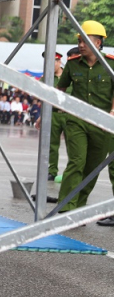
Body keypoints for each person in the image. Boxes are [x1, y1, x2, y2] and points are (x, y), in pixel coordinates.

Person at [54, 21, 114, 215]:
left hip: (102, 123)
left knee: (93, 167)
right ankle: (65, 206)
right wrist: (60, 104)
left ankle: (78, 206)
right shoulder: (72, 64)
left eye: (85, 41)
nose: (81, 45)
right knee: (77, 161)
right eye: (80, 40)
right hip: (77, 120)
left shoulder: (111, 64)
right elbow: (61, 89)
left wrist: (112, 113)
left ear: (98, 43)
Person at [35, 52, 67, 180]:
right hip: (52, 114)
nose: (49, 64)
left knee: (74, 145)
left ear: (59, 62)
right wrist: (42, 117)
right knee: (52, 144)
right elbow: (43, 99)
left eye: (53, 61)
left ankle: (75, 172)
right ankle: (52, 170)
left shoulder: (68, 75)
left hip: (69, 115)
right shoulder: (45, 78)